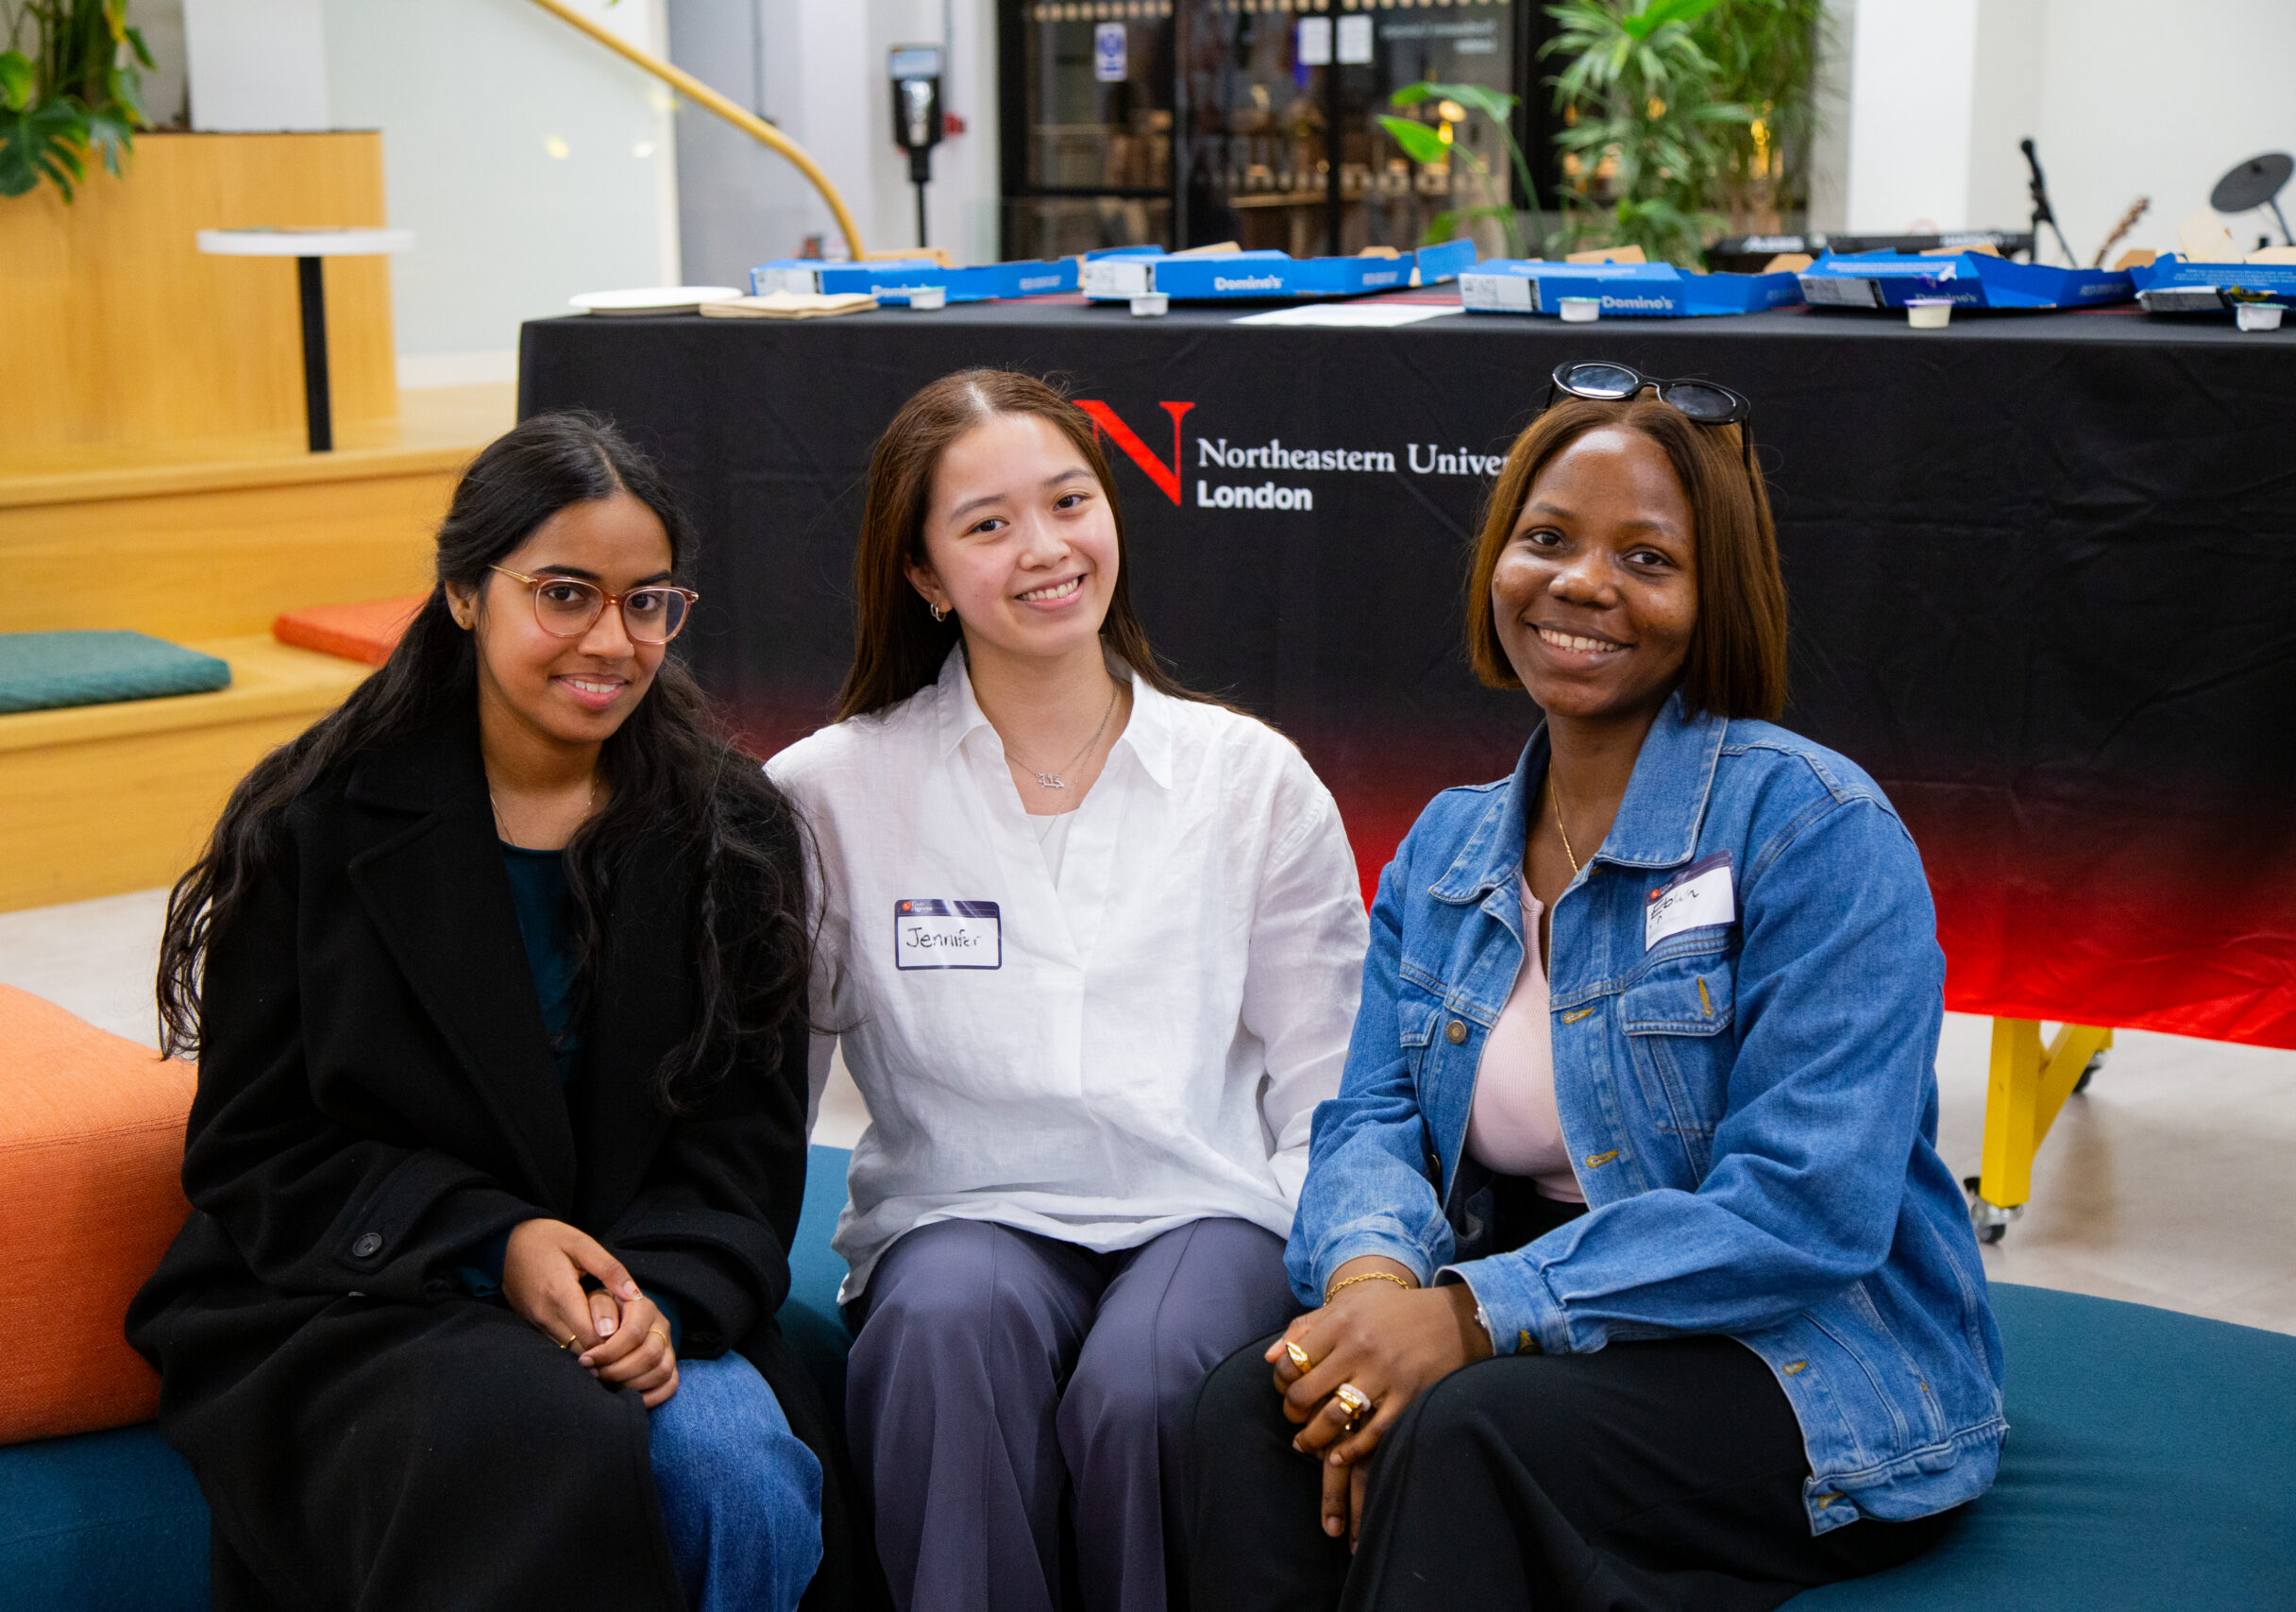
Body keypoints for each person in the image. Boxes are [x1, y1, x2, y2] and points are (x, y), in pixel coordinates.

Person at [1189, 363, 2003, 1612]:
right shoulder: (1451, 844)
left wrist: (1472, 1312)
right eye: (1549, 539)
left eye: (1648, 558)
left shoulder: (1816, 827)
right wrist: (1371, 1291)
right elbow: (1370, 1118)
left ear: (1710, 593)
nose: (1582, 584)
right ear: (1497, 563)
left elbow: (1804, 1208)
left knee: (1469, 1430)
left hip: (1804, 1354)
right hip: (1542, 1316)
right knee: (1261, 1407)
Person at [127, 413, 864, 1612]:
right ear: (467, 593)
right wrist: (492, 1242)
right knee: (540, 1447)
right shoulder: (314, 825)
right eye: (564, 594)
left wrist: (655, 1302)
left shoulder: (728, 829)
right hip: (378, 1296)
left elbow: (746, 1139)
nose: (610, 642)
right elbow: (254, 1151)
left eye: (647, 602)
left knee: (735, 1465)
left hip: (640, 1282)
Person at [767, 369, 1369, 1612]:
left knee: (1144, 1386)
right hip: (960, 1209)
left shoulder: (1246, 775)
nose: (1044, 548)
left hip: (1204, 1205)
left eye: (1070, 502)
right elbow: (768, 1084)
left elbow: (1331, 1085)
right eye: (987, 524)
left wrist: (1343, 1272)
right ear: (925, 575)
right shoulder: (828, 791)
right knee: (944, 1333)